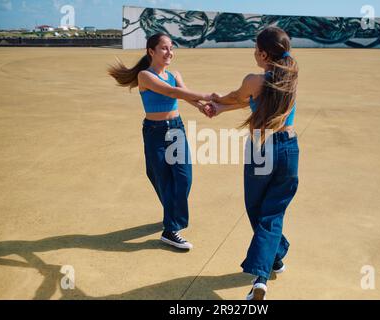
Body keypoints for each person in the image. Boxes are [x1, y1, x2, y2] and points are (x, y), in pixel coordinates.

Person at [210, 27, 300, 300]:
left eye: (254, 48)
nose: (253, 53)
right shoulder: (290, 76)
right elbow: (251, 104)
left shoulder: (253, 79)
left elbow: (238, 97)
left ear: (262, 53)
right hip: (288, 149)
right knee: (271, 214)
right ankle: (275, 257)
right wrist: (222, 108)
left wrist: (215, 100)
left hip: (261, 149)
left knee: (259, 212)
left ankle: (260, 279)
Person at [108, 33, 214, 250]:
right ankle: (171, 228)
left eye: (171, 48)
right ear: (151, 51)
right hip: (155, 132)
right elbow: (171, 92)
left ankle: (171, 219)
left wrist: (201, 105)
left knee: (184, 177)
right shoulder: (145, 77)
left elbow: (183, 93)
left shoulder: (174, 73)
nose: (169, 53)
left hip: (176, 129)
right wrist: (209, 95)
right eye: (164, 48)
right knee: (161, 178)